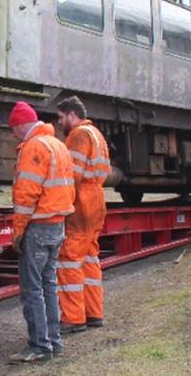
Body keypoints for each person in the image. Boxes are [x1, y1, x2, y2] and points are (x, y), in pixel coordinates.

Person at [8, 101, 75, 364]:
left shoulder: (34, 147)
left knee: (32, 289)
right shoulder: (58, 144)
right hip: (58, 224)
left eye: (14, 129)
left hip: (38, 226)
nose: (13, 134)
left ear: (22, 124)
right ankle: (53, 342)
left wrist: (18, 231)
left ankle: (39, 346)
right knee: (48, 285)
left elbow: (26, 194)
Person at [55, 96, 111, 333]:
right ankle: (94, 313)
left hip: (81, 200)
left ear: (71, 115)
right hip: (97, 198)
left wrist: (61, 204)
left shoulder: (77, 135)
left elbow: (71, 175)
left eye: (60, 117)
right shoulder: (97, 134)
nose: (59, 122)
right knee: (89, 257)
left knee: (69, 259)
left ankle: (73, 318)